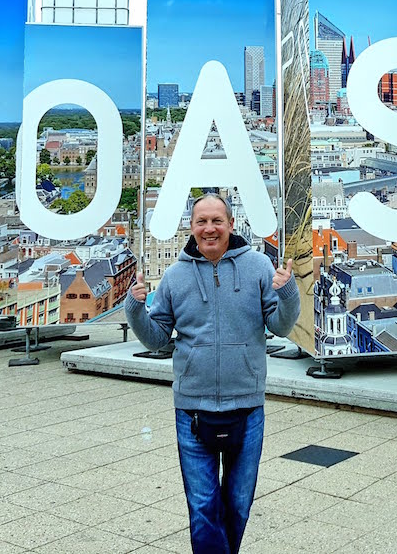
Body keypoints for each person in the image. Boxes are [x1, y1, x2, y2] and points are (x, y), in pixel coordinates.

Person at [126, 193, 300, 554]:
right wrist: (135, 308)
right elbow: (157, 338)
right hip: (192, 408)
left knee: (237, 505)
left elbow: (281, 327)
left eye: (217, 221)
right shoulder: (175, 277)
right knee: (203, 508)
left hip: (247, 405)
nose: (209, 229)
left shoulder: (257, 267)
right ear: (191, 228)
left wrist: (288, 294)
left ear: (231, 225)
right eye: (201, 221)